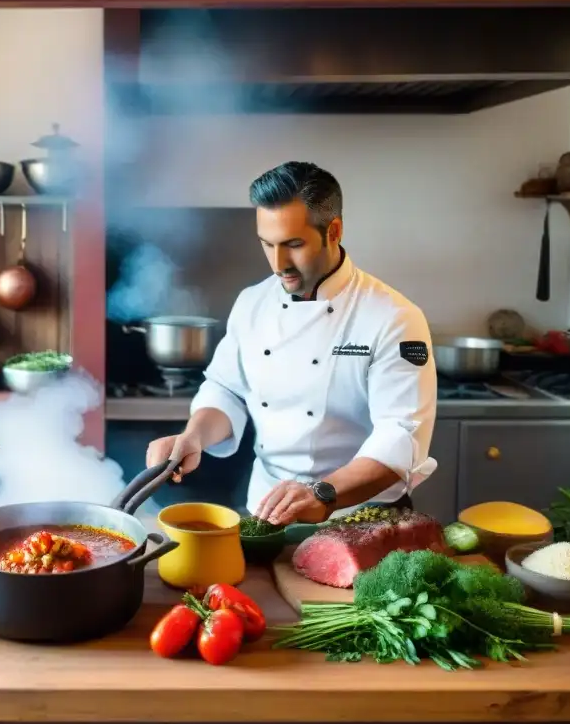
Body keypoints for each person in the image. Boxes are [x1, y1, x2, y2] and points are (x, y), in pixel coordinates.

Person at [145, 161, 438, 526]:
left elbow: (401, 435)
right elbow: (227, 390)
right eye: (267, 244)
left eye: (294, 244)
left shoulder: (394, 317)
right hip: (265, 511)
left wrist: (323, 494)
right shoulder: (252, 302)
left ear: (334, 231)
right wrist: (194, 436)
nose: (278, 263)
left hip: (360, 517)